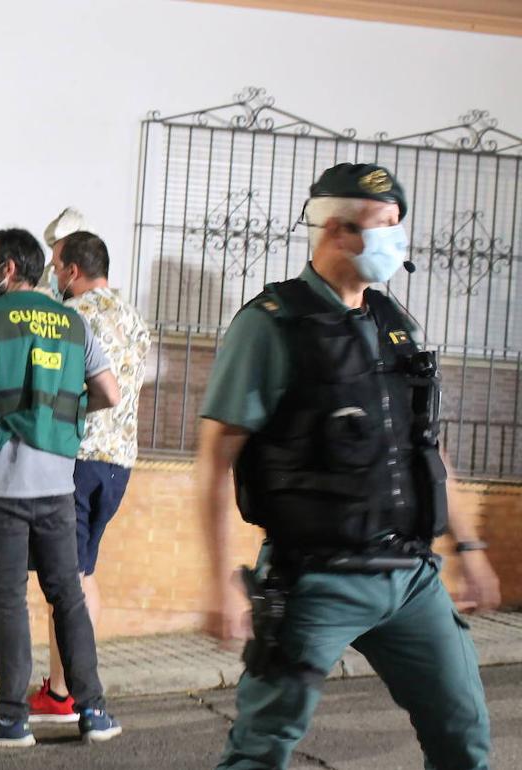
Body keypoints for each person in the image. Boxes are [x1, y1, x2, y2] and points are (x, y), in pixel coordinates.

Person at [198, 163, 499, 770]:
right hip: (317, 581)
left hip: (412, 578)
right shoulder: (271, 324)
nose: (397, 238)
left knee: (463, 736)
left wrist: (468, 547)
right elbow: (213, 462)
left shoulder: (394, 323)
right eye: (384, 224)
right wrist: (216, 583)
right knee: (261, 749)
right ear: (337, 230)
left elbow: (426, 447)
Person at [0, 227, 124, 747]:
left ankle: (11, 718)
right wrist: (61, 412)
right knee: (67, 596)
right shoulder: (73, 321)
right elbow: (109, 392)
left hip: (0, 484)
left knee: (10, 601)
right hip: (58, 484)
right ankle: (94, 711)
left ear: (9, 269)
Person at [28, 228, 151, 722]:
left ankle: (64, 692)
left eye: (56, 267)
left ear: (72, 271)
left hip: (76, 458)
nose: (53, 275)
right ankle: (71, 684)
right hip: (119, 463)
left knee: (65, 582)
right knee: (83, 573)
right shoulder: (133, 317)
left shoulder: (69, 317)